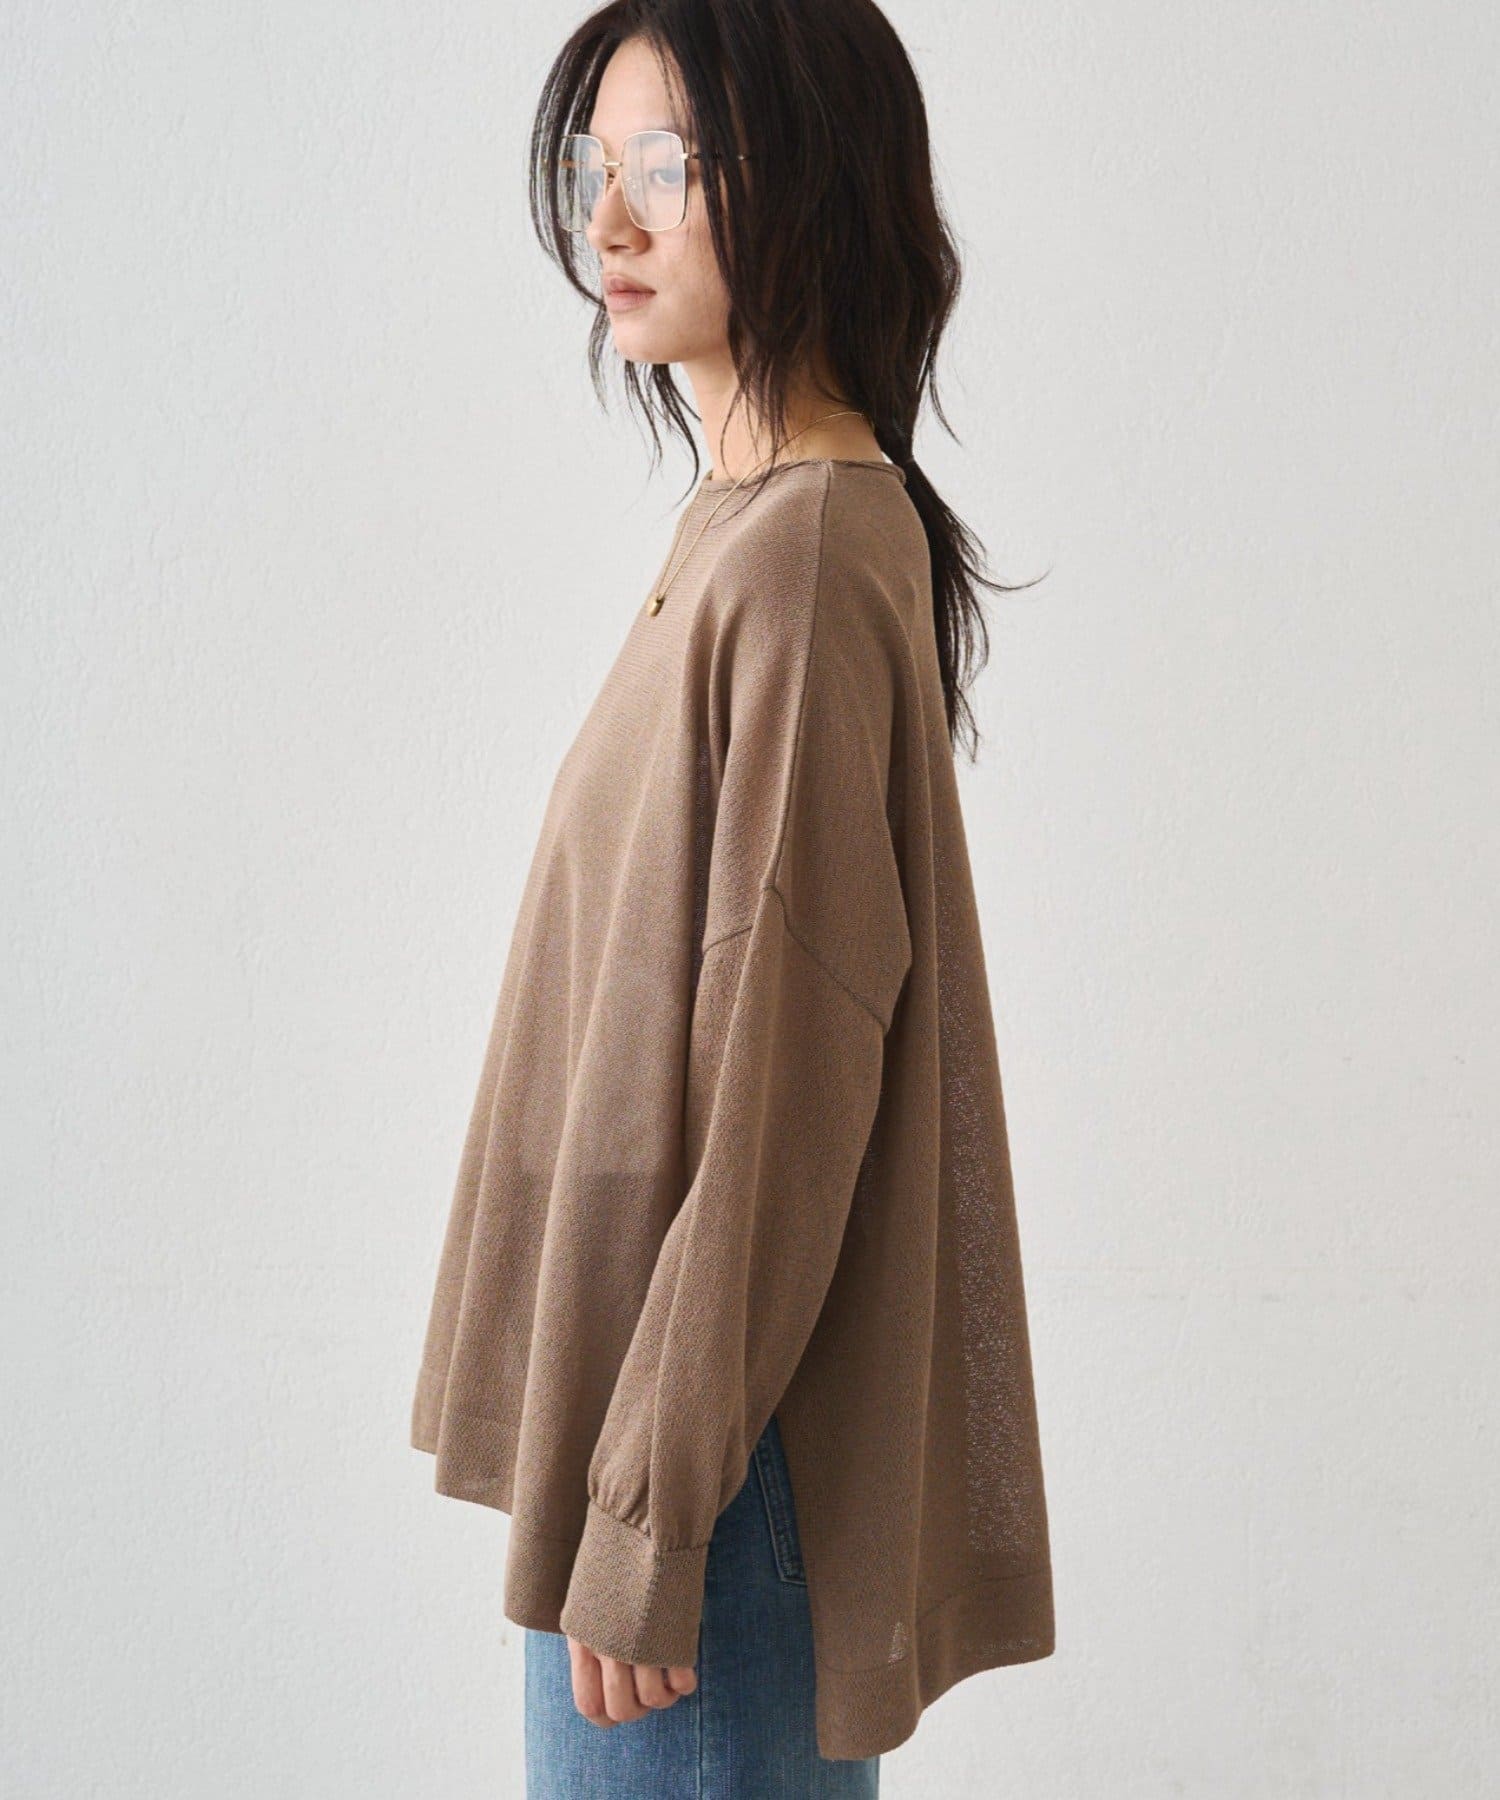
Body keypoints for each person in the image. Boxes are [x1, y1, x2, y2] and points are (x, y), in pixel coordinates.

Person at [410, 3, 1056, 1793]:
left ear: (812, 181)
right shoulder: (745, 526)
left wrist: (648, 1510)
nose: (608, 221)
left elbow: (786, 1081)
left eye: (668, 167)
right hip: (666, 1427)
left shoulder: (804, 554)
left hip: (707, 1461)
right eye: (592, 167)